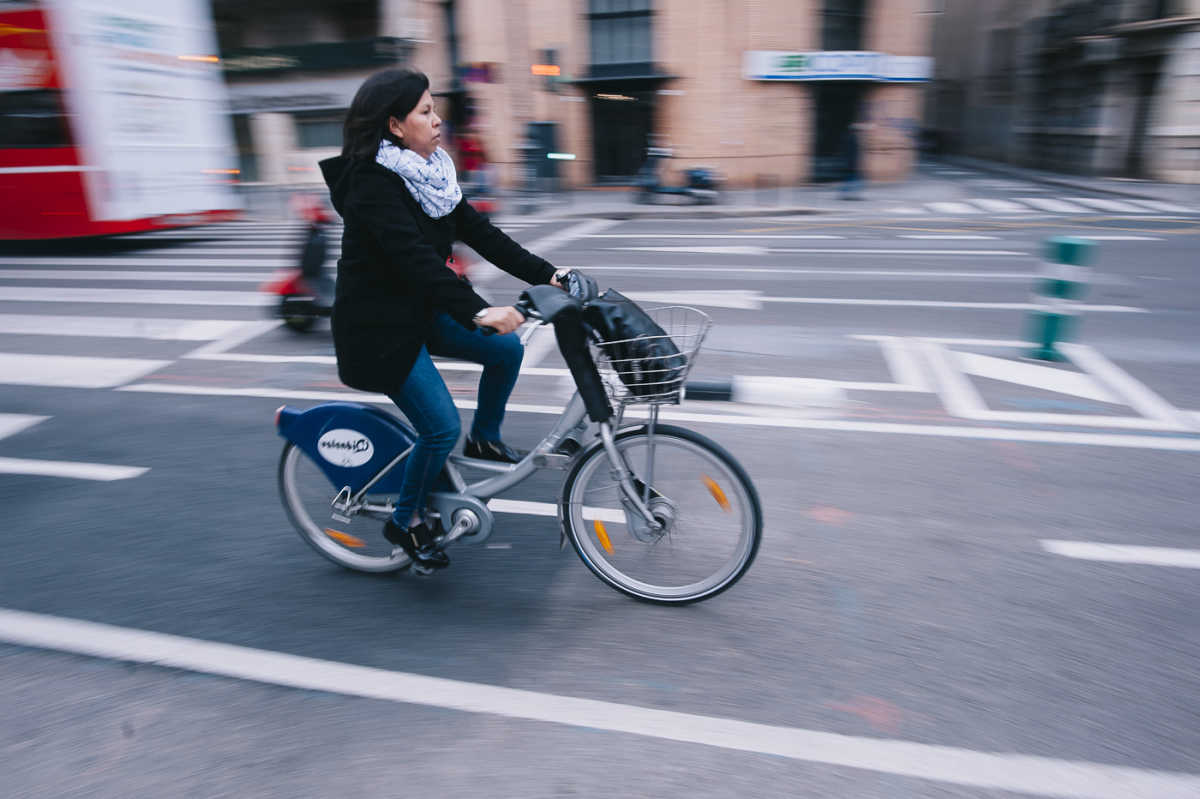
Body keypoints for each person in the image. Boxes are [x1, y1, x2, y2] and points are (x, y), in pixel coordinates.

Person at [318, 69, 568, 572]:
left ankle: (486, 437)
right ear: (394, 124)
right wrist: (477, 309)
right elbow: (416, 261)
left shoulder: (430, 175)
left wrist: (552, 274)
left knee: (505, 349)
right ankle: (404, 521)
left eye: (435, 109)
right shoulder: (372, 185)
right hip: (380, 332)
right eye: (426, 111)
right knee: (438, 429)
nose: (438, 120)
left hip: (420, 314)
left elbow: (483, 234)